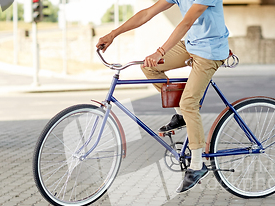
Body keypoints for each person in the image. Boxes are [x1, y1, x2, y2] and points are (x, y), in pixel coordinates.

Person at [96, 0, 229, 193]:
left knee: (189, 103)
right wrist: (113, 34)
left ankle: (198, 164)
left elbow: (186, 23)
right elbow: (147, 13)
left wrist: (161, 51)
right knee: (148, 67)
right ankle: (182, 116)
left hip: (210, 51)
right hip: (191, 45)